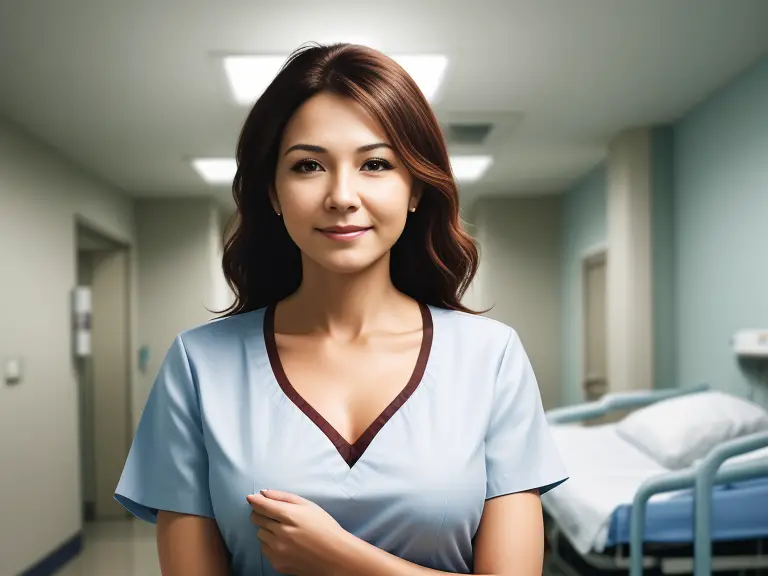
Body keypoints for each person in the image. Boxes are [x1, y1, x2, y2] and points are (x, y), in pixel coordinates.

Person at [114, 42, 568, 576]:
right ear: (274, 194)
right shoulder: (198, 366)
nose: (342, 195)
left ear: (415, 188)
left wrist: (340, 557)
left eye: (375, 164)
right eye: (308, 165)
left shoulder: (491, 359)